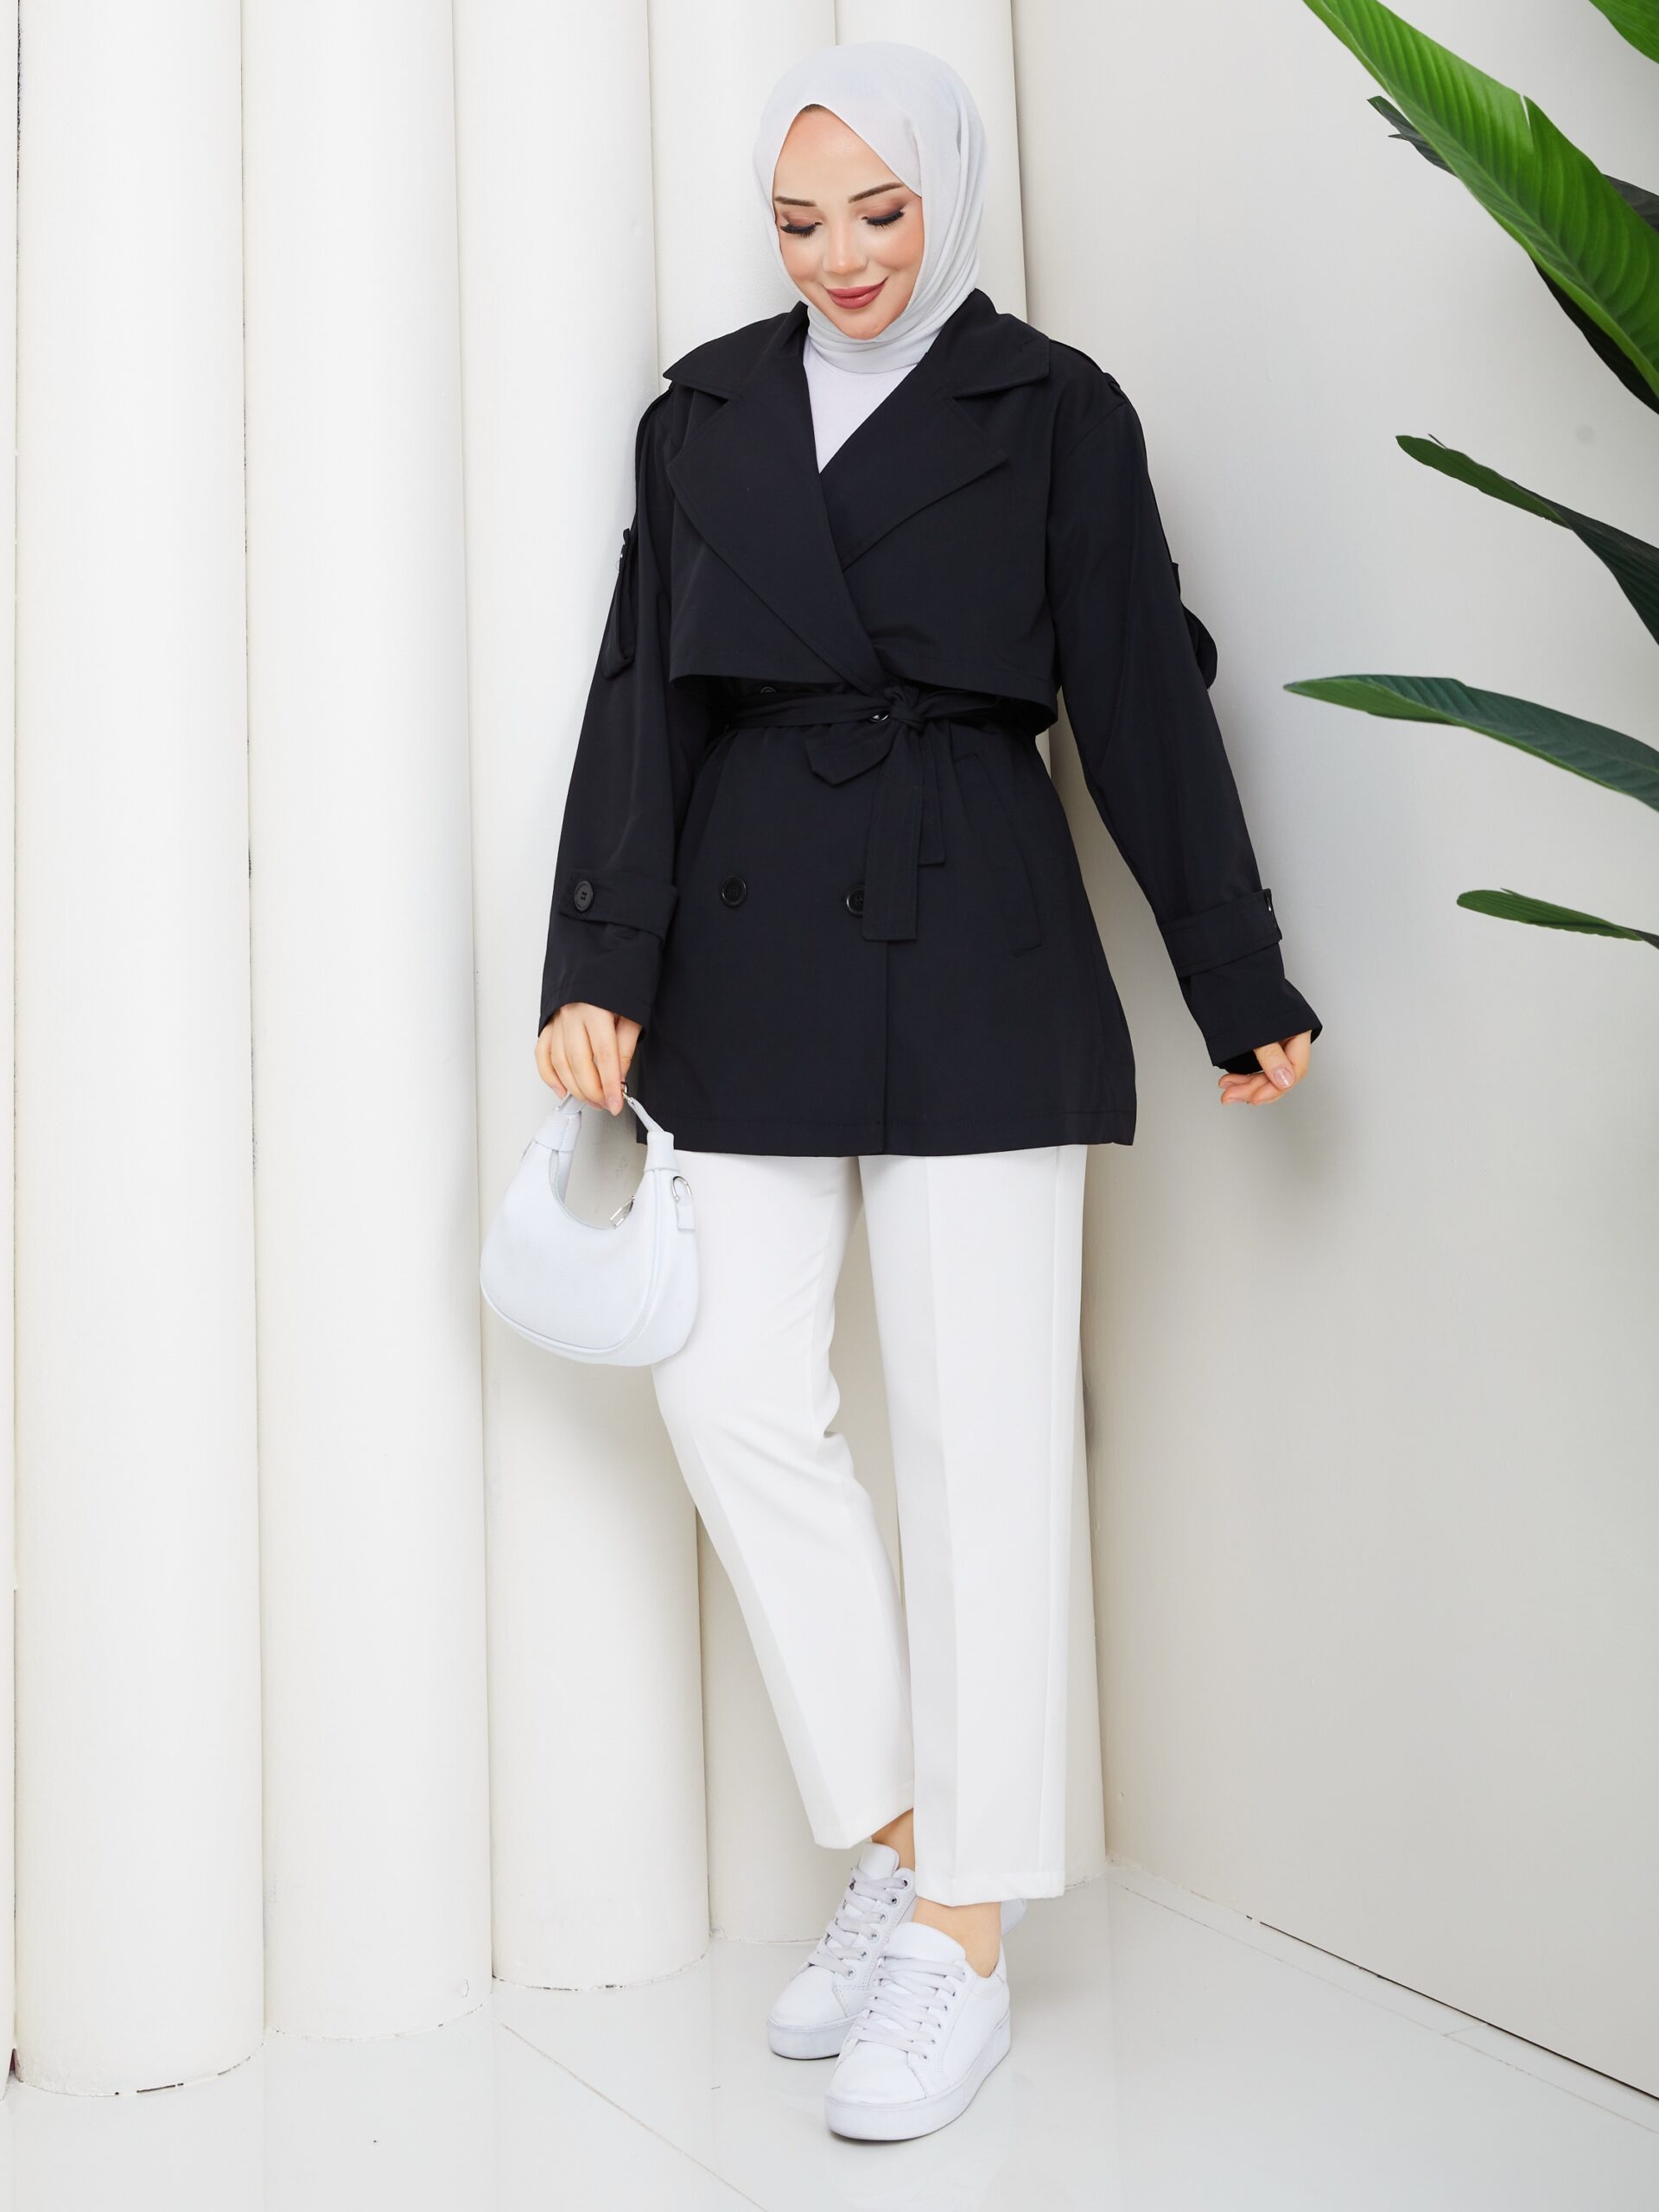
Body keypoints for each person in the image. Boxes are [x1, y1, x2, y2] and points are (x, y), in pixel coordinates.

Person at [535, 41, 1321, 2143]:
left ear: (944, 197)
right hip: (748, 936)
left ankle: (963, 1932)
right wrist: (601, 959)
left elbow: (1137, 693)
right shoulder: (704, 409)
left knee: (983, 1433)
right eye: (801, 222)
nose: (843, 257)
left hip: (977, 920)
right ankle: (907, 1833)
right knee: (726, 1386)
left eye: (879, 212)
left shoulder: (1053, 408)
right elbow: (639, 697)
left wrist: (1235, 974)